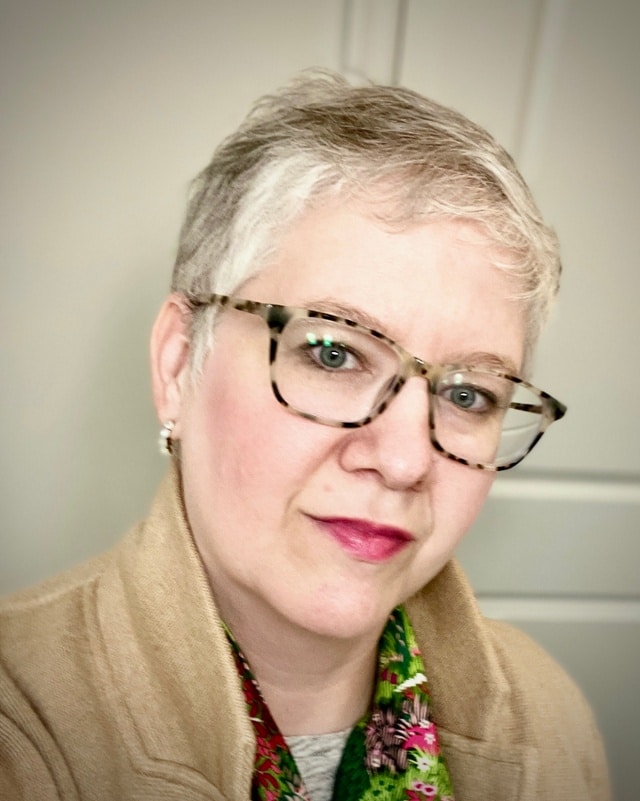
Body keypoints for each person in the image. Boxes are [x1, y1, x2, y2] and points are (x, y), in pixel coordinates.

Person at [0, 71, 609, 801]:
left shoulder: (552, 715)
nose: (404, 459)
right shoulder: (20, 727)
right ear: (178, 364)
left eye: (467, 394)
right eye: (334, 354)